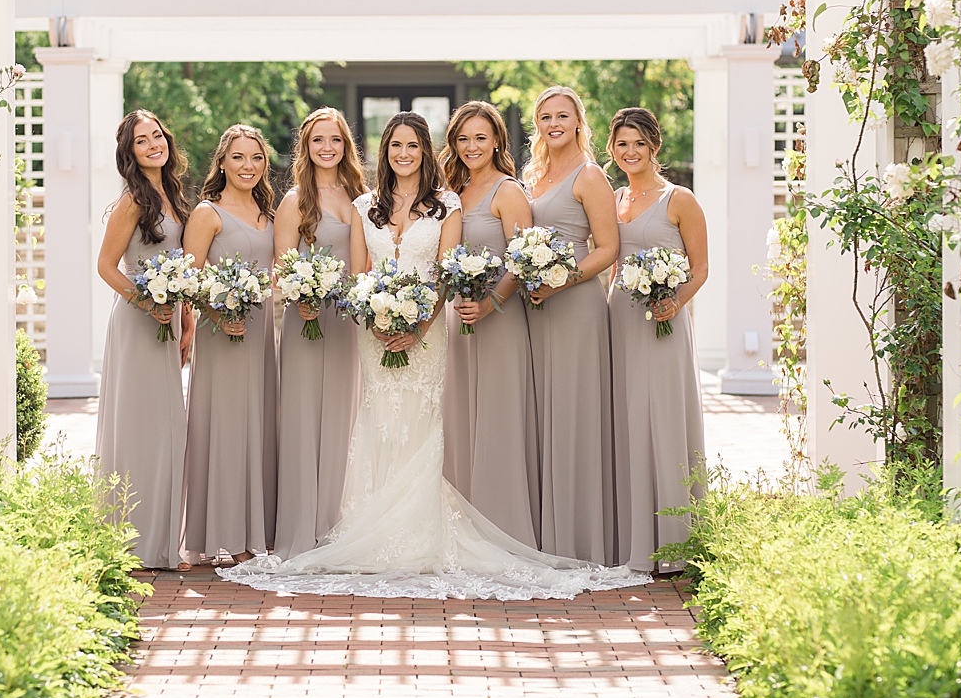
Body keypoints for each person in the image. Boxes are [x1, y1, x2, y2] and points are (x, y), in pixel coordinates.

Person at [222, 111, 647, 599]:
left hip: (428, 334)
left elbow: (445, 276)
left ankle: (423, 531)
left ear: (425, 152)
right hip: (373, 332)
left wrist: (418, 324)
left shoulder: (447, 204)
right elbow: (360, 272)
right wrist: (380, 321)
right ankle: (364, 522)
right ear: (384, 153)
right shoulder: (365, 206)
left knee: (424, 424)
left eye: (413, 146)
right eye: (395, 146)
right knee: (376, 418)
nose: (404, 154)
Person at [606, 107, 709, 573]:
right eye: (622, 144)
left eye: (638, 144)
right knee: (627, 420)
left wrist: (675, 301)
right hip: (620, 320)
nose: (630, 152)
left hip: (665, 320)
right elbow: (608, 260)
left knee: (665, 419)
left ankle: (677, 540)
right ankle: (634, 538)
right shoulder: (613, 199)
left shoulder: (679, 199)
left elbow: (701, 267)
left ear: (654, 147)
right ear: (612, 149)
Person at [523, 86, 622, 566]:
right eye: (545, 116)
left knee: (575, 414)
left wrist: (561, 280)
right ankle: (545, 533)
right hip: (537, 308)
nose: (554, 123)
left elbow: (607, 249)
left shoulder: (590, 175)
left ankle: (581, 539)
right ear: (537, 124)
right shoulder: (533, 175)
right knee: (543, 414)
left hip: (576, 306)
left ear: (579, 121)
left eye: (563, 115)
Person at [93, 110, 194, 571]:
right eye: (141, 140)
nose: (153, 143)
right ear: (129, 153)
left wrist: (184, 316)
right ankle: (129, 542)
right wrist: (148, 302)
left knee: (167, 428)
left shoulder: (172, 195)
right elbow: (107, 266)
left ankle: (160, 543)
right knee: (136, 427)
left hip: (168, 320)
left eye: (157, 135)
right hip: (136, 323)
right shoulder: (133, 200)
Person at [439, 101, 540, 548]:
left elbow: (520, 263)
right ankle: (463, 530)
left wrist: (489, 303)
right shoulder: (450, 190)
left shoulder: (507, 191)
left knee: (498, 420)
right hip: (459, 324)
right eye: (463, 139)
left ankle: (504, 533)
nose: (471, 146)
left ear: (497, 139)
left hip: (499, 321)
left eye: (480, 137)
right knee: (462, 420)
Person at [273, 107, 370, 560]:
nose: (327, 148)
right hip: (307, 321)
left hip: (349, 321)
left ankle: (338, 528)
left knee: (344, 420)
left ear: (345, 145)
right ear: (306, 148)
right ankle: (301, 528)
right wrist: (303, 298)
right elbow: (283, 266)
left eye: (334, 140)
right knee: (303, 418)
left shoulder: (362, 195)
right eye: (317, 141)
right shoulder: (296, 200)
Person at [181, 123, 278, 564]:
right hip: (221, 334)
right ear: (222, 162)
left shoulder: (268, 213)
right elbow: (189, 277)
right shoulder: (208, 212)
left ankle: (253, 532)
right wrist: (220, 313)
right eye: (238, 157)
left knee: (256, 424)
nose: (248, 166)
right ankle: (222, 535)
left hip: (258, 335)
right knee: (223, 427)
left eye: (256, 157)